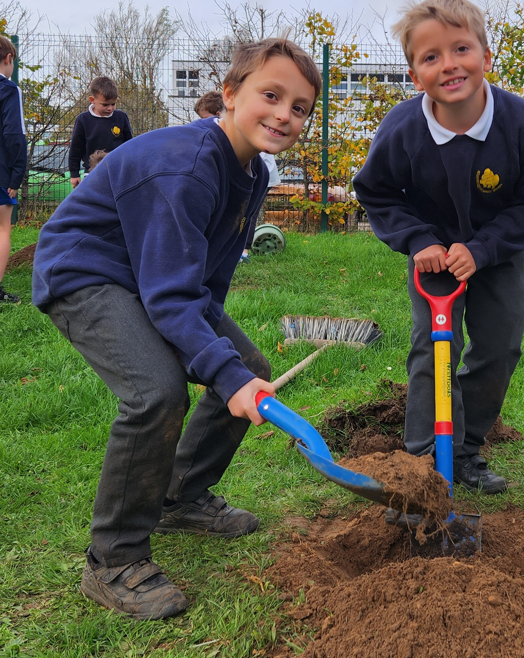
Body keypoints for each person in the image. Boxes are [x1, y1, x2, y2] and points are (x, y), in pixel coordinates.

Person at [32, 37, 321, 620]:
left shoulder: (252, 172)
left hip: (148, 275)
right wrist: (218, 369)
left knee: (249, 370)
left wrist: (229, 371)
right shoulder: (188, 164)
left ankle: (180, 496)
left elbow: (202, 283)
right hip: (85, 270)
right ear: (231, 95)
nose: (285, 115)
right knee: (156, 391)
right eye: (271, 95)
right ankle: (112, 560)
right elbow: (168, 296)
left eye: (300, 108)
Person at [353, 0, 524, 494]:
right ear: (414, 72)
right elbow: (375, 190)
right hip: (434, 258)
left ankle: (465, 450)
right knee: (433, 349)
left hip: (499, 254)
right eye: (430, 57)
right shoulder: (403, 129)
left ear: (486, 57)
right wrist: (417, 238)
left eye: (461, 49)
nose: (449, 65)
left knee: (499, 349)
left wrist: (484, 248)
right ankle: (422, 460)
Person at [193, 90, 280, 261]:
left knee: (248, 213)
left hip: (262, 174)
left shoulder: (239, 127)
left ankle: (243, 252)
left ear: (218, 114)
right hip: (243, 174)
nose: (201, 123)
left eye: (204, 117)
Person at [68, 76, 132, 188]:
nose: (110, 108)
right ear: (92, 100)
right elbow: (76, 149)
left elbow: (129, 145)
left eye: (113, 104)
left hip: (118, 172)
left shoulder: (121, 117)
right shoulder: (83, 120)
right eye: (105, 105)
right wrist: (74, 174)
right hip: (92, 173)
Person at [0, 35, 26, 304]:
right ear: (9, 59)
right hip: (2, 171)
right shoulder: (9, 89)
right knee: (2, 229)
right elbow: (14, 134)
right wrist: (17, 174)